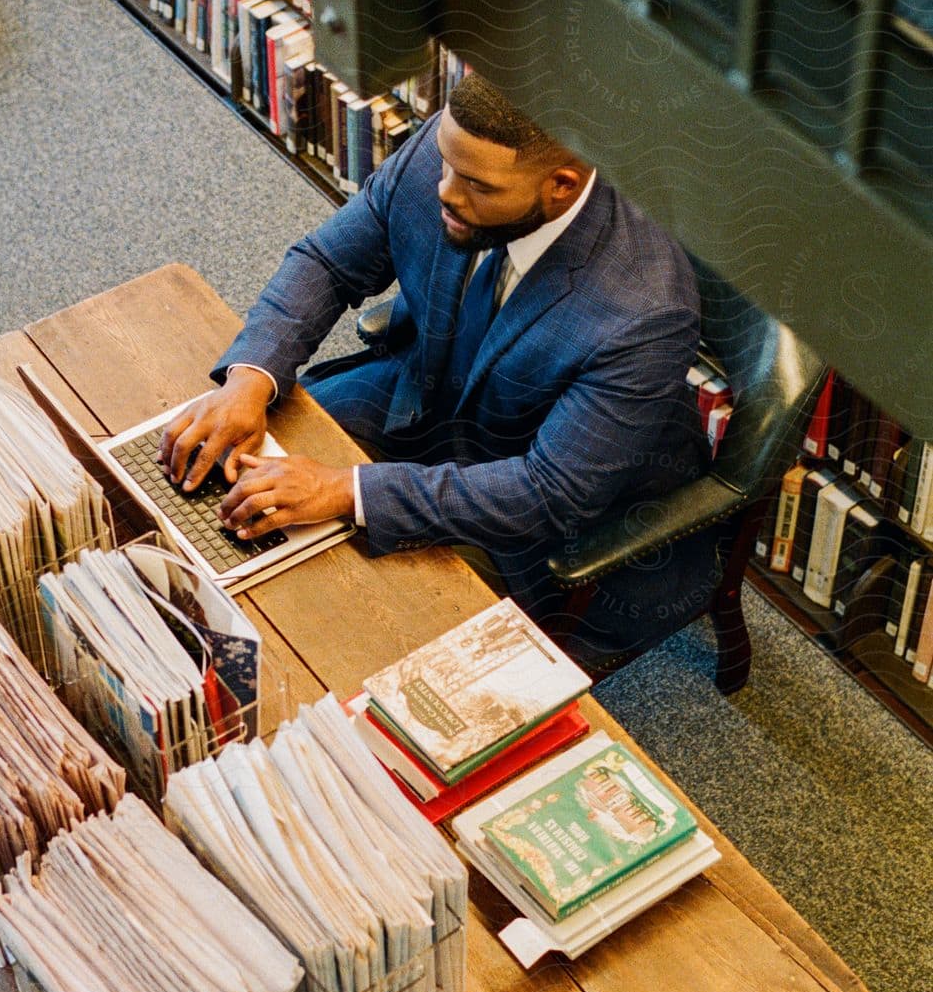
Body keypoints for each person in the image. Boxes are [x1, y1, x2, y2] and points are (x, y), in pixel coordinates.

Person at [160, 73, 717, 653]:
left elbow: (549, 493)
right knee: (225, 481)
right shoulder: (457, 152)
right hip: (421, 395)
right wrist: (249, 379)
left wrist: (349, 491)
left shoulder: (646, 310)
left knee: (349, 626)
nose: (445, 191)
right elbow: (328, 261)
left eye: (474, 185)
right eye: (446, 163)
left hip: (532, 496)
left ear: (561, 186)